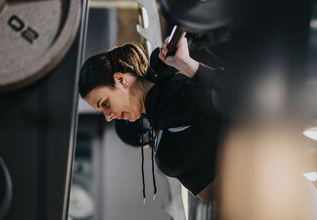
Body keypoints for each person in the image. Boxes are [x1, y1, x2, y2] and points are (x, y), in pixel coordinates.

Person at [79, 38, 223, 202]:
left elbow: (246, 97)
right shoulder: (163, 134)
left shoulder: (182, 90)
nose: (108, 116)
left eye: (105, 104)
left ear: (120, 80)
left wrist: (189, 65)